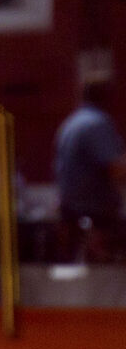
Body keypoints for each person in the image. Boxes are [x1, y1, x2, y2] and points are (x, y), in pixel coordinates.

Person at [57, 79, 126, 259]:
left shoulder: (70, 123)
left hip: (71, 209)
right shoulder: (97, 124)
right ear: (106, 97)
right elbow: (114, 168)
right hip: (96, 213)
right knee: (104, 271)